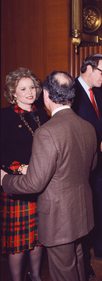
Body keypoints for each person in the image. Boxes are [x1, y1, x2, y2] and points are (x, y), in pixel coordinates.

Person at [1, 70, 97, 281]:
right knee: (77, 263)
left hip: (59, 215)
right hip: (80, 212)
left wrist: (4, 179)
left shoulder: (47, 129)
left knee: (64, 271)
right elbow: (91, 166)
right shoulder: (88, 127)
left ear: (45, 94)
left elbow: (35, 183)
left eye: (33, 88)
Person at [72, 54, 102, 279]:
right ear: (88, 69)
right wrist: (97, 144)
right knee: (83, 212)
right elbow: (70, 131)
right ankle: (84, 261)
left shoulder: (98, 92)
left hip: (99, 163)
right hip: (79, 164)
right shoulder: (70, 91)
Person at [1, 67, 49, 281]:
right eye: (23, 88)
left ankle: (36, 276)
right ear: (13, 92)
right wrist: (19, 168)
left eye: (32, 87)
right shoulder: (4, 116)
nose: (30, 92)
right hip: (17, 184)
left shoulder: (42, 115)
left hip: (40, 183)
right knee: (18, 241)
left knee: (38, 238)